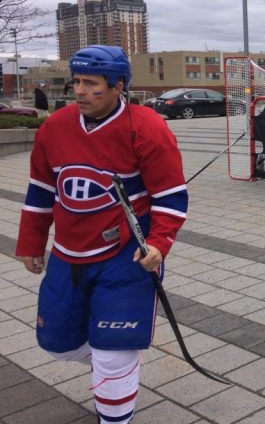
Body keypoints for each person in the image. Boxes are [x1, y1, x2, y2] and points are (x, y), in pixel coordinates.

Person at [16, 45, 188, 424]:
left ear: (118, 86)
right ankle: (117, 361)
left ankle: (115, 387)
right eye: (76, 81)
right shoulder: (54, 129)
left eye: (91, 83)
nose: (79, 91)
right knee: (57, 344)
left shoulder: (147, 127)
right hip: (67, 254)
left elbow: (171, 196)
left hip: (125, 256)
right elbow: (41, 191)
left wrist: (159, 243)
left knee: (113, 354)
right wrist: (31, 243)